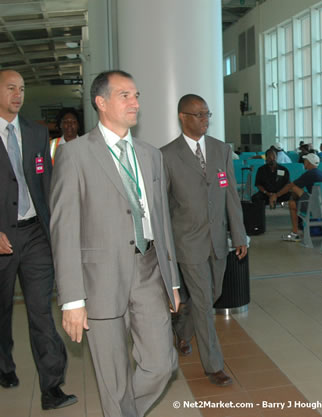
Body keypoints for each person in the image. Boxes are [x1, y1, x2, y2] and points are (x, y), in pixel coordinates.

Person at [50, 70, 181, 417]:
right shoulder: (75, 155)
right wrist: (72, 299)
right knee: (113, 378)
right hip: (99, 280)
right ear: (101, 102)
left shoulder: (151, 154)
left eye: (136, 95)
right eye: (125, 95)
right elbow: (63, 229)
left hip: (150, 268)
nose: (135, 102)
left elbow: (162, 221)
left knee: (162, 364)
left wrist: (174, 280)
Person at [0, 69, 76, 410]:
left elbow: (45, 184)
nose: (18, 94)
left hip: (34, 234)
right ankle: (4, 366)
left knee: (40, 312)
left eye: (22, 89)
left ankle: (52, 387)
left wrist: (55, 229)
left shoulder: (36, 134)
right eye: (10, 88)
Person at [161, 94, 247, 387]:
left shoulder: (221, 150)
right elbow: (163, 205)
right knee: (202, 301)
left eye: (207, 114)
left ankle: (182, 331)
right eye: (198, 115)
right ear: (182, 117)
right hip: (187, 241)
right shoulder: (167, 156)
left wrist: (238, 234)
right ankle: (214, 366)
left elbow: (231, 196)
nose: (205, 120)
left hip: (218, 240)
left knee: (210, 295)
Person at [272, 153, 322, 242]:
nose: (304, 162)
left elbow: (291, 186)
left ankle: (295, 233)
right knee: (297, 191)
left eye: (305, 161)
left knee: (292, 203)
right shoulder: (321, 173)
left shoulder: (310, 174)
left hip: (316, 207)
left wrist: (276, 195)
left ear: (309, 163)